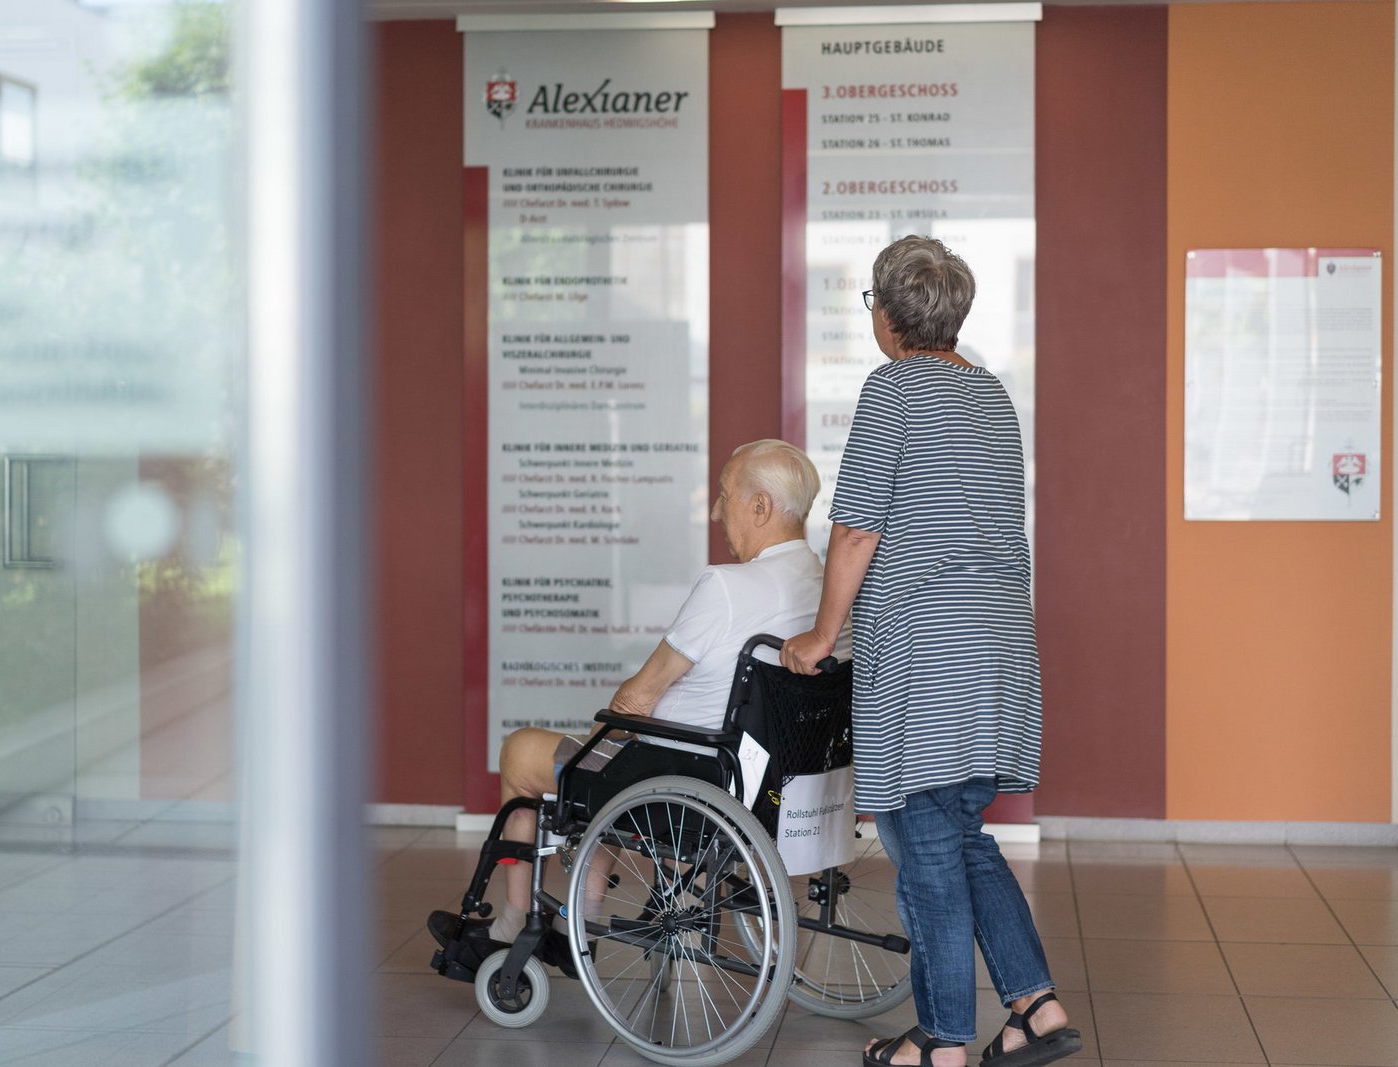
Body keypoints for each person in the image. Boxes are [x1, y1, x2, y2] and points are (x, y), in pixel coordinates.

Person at [781, 237, 1080, 1067]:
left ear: (886, 313)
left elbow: (856, 530)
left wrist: (820, 633)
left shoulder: (892, 391)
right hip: (998, 649)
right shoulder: (991, 397)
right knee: (955, 833)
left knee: (925, 846)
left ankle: (942, 1040)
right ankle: (1036, 1005)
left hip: (927, 651)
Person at [430, 438, 844, 972]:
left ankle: (514, 919)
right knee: (614, 753)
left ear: (760, 506)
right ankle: (586, 908)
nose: (717, 512)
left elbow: (639, 695)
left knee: (534, 752)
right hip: (781, 786)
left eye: (724, 496)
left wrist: (613, 723)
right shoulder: (827, 588)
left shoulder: (727, 585)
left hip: (696, 780)